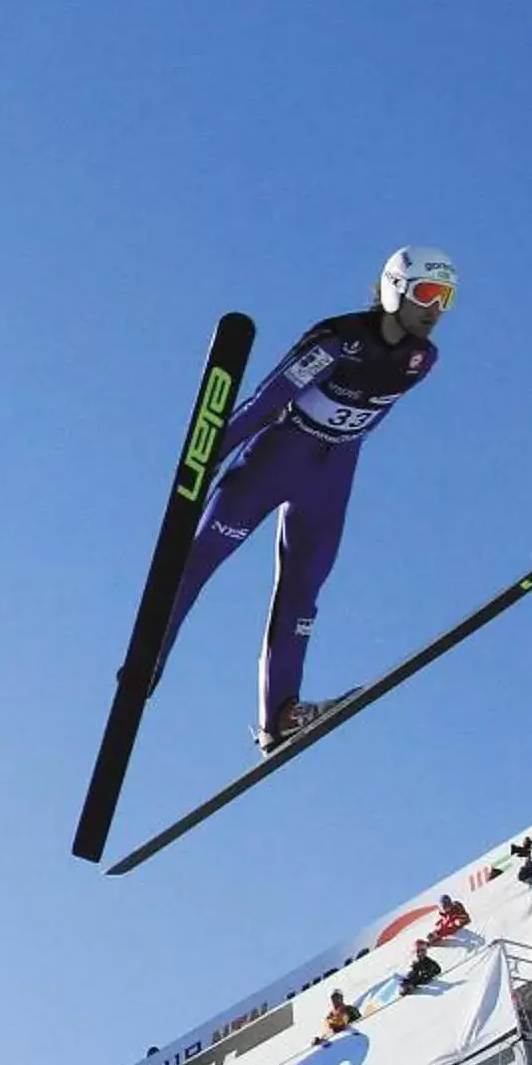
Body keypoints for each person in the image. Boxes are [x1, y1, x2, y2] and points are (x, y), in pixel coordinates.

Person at [154, 248, 456, 752]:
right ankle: (151, 659)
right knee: (200, 559)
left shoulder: (421, 360)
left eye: (446, 299)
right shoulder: (337, 341)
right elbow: (260, 405)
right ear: (394, 289)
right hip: (276, 459)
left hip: (332, 475)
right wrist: (201, 467)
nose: (435, 308)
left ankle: (281, 716)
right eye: (426, 292)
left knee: (303, 590)